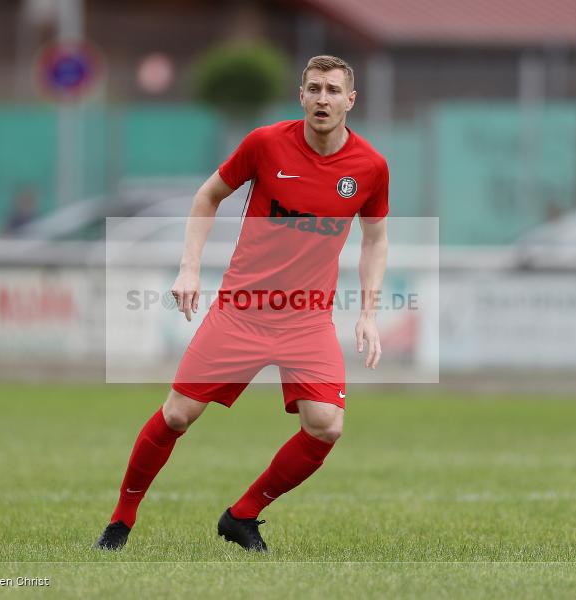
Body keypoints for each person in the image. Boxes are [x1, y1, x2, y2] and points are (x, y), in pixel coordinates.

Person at [95, 55, 389, 552]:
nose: (323, 98)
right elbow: (207, 196)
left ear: (350, 100)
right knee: (176, 416)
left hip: (307, 318)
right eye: (314, 88)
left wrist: (368, 313)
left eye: (333, 90)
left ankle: (242, 515)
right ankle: (121, 520)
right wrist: (189, 266)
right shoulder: (265, 144)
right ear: (301, 95)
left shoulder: (369, 167)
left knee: (326, 426)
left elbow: (375, 239)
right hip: (241, 310)